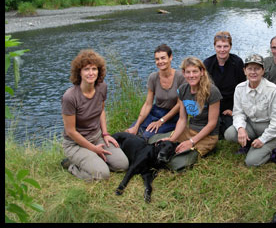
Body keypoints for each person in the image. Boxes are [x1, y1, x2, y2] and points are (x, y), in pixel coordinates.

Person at [61, 49, 128, 180]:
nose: (91, 73)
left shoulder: (102, 87)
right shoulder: (70, 97)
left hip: (97, 137)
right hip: (75, 144)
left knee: (123, 165)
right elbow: (70, 131)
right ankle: (72, 166)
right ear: (79, 72)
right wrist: (93, 149)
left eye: (94, 69)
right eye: (86, 69)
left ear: (99, 71)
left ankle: (92, 160)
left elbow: (101, 110)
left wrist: (105, 134)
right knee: (102, 174)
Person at [158, 57, 221, 171]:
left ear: (202, 72)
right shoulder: (183, 90)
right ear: (183, 73)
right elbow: (182, 119)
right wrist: (172, 139)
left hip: (208, 135)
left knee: (176, 163)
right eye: (188, 72)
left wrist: (191, 142)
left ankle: (201, 149)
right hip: (189, 131)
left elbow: (212, 123)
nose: (191, 75)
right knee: (157, 142)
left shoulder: (212, 91)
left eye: (195, 71)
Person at [225, 54, 276, 166]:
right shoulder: (239, 88)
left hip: (271, 129)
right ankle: (250, 143)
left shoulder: (273, 90)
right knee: (230, 133)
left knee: (251, 162)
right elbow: (238, 113)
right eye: (250, 69)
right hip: (251, 125)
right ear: (244, 71)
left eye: (257, 68)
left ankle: (274, 149)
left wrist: (263, 139)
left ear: (263, 71)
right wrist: (241, 128)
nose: (253, 72)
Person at [127, 44, 185, 139]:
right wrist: (136, 125)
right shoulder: (153, 77)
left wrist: (161, 121)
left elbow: (179, 105)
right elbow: (148, 104)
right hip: (156, 111)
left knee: (146, 136)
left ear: (170, 58)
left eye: (163, 58)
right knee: (131, 132)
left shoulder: (180, 77)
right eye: (157, 59)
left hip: (172, 116)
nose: (160, 62)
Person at [203, 31, 245, 139]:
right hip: (213, 103)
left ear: (230, 47)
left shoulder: (237, 62)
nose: (222, 50)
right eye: (219, 46)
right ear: (214, 47)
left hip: (232, 103)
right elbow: (204, 90)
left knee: (228, 129)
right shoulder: (207, 64)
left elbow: (242, 89)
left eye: (225, 46)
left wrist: (233, 109)